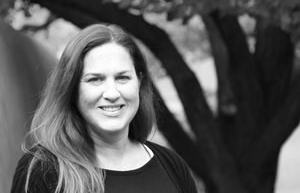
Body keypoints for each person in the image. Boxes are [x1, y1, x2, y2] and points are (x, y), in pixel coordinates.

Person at [10, 23, 197, 193]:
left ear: (139, 82)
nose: (112, 93)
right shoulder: (43, 169)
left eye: (122, 77)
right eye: (95, 79)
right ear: (72, 88)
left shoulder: (171, 165)